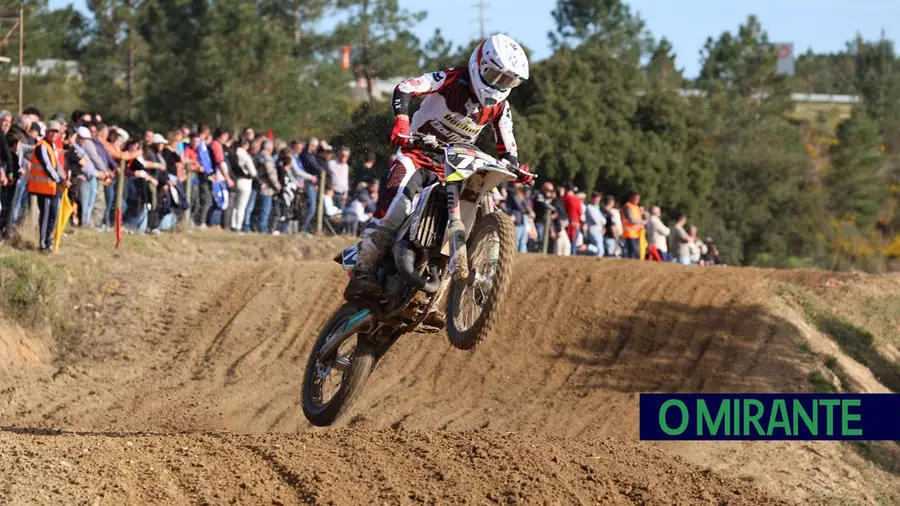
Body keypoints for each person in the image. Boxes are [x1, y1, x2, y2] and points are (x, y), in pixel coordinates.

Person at [346, 33, 534, 299]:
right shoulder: (451, 79)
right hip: (417, 155)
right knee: (397, 205)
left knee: (480, 198)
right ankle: (363, 273)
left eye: (507, 80)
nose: (498, 84)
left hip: (455, 168)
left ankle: (452, 292)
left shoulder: (500, 107)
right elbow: (405, 87)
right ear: (479, 65)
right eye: (494, 75)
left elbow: (508, 147)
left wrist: (516, 167)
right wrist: (401, 121)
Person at [27, 120, 67, 252]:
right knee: (45, 216)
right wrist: (60, 180)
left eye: (56, 132)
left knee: (53, 215)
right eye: (52, 131)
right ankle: (43, 244)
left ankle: (48, 241)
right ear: (47, 132)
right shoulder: (42, 146)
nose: (54, 134)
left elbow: (56, 165)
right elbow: (47, 167)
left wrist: (63, 179)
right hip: (43, 188)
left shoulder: (52, 146)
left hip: (52, 187)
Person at [620, 192, 645, 259]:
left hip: (637, 233)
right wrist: (643, 222)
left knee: (636, 252)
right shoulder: (627, 206)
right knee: (632, 252)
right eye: (636, 198)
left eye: (638, 199)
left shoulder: (636, 207)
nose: (637, 200)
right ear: (631, 198)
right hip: (629, 233)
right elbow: (631, 219)